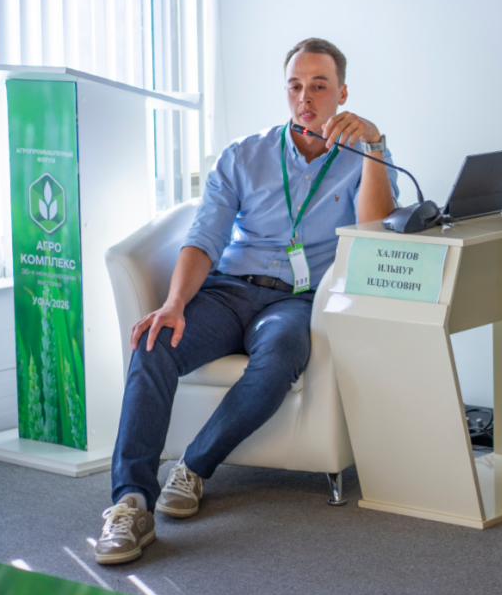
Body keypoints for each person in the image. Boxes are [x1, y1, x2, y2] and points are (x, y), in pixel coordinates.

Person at [94, 38, 398, 565]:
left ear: (342, 93)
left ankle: (194, 467)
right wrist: (174, 304)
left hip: (297, 301)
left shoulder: (363, 156)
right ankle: (131, 502)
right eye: (295, 86)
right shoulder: (243, 155)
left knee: (279, 356)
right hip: (230, 290)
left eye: (319, 85)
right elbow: (204, 238)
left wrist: (373, 144)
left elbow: (374, 231)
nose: (305, 97)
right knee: (155, 342)